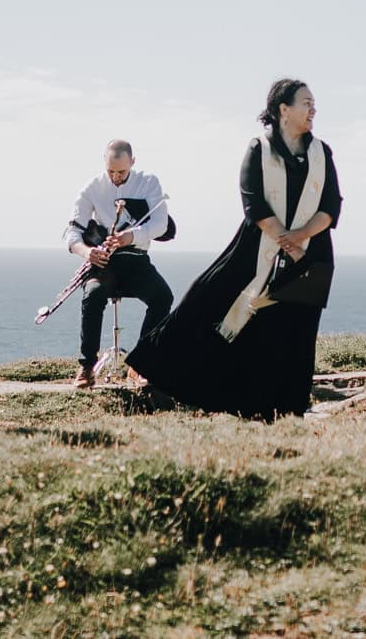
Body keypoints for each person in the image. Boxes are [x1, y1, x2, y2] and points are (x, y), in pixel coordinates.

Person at [128, 78, 341, 418]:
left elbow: (331, 204)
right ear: (283, 109)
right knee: (209, 298)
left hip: (311, 252)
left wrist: (301, 236)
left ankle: (291, 405)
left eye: (314, 103)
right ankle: (162, 371)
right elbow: (253, 201)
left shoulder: (322, 153)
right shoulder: (260, 147)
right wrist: (284, 238)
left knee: (297, 329)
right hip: (257, 247)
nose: (313, 108)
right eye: (306, 102)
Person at [63, 140, 175, 388]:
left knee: (163, 297)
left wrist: (130, 237)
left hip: (136, 259)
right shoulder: (92, 188)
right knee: (92, 294)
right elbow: (71, 233)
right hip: (104, 263)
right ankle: (86, 366)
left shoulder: (149, 183)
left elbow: (161, 224)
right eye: (110, 171)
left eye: (121, 172)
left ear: (132, 163)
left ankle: (140, 365)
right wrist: (86, 251)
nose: (115, 177)